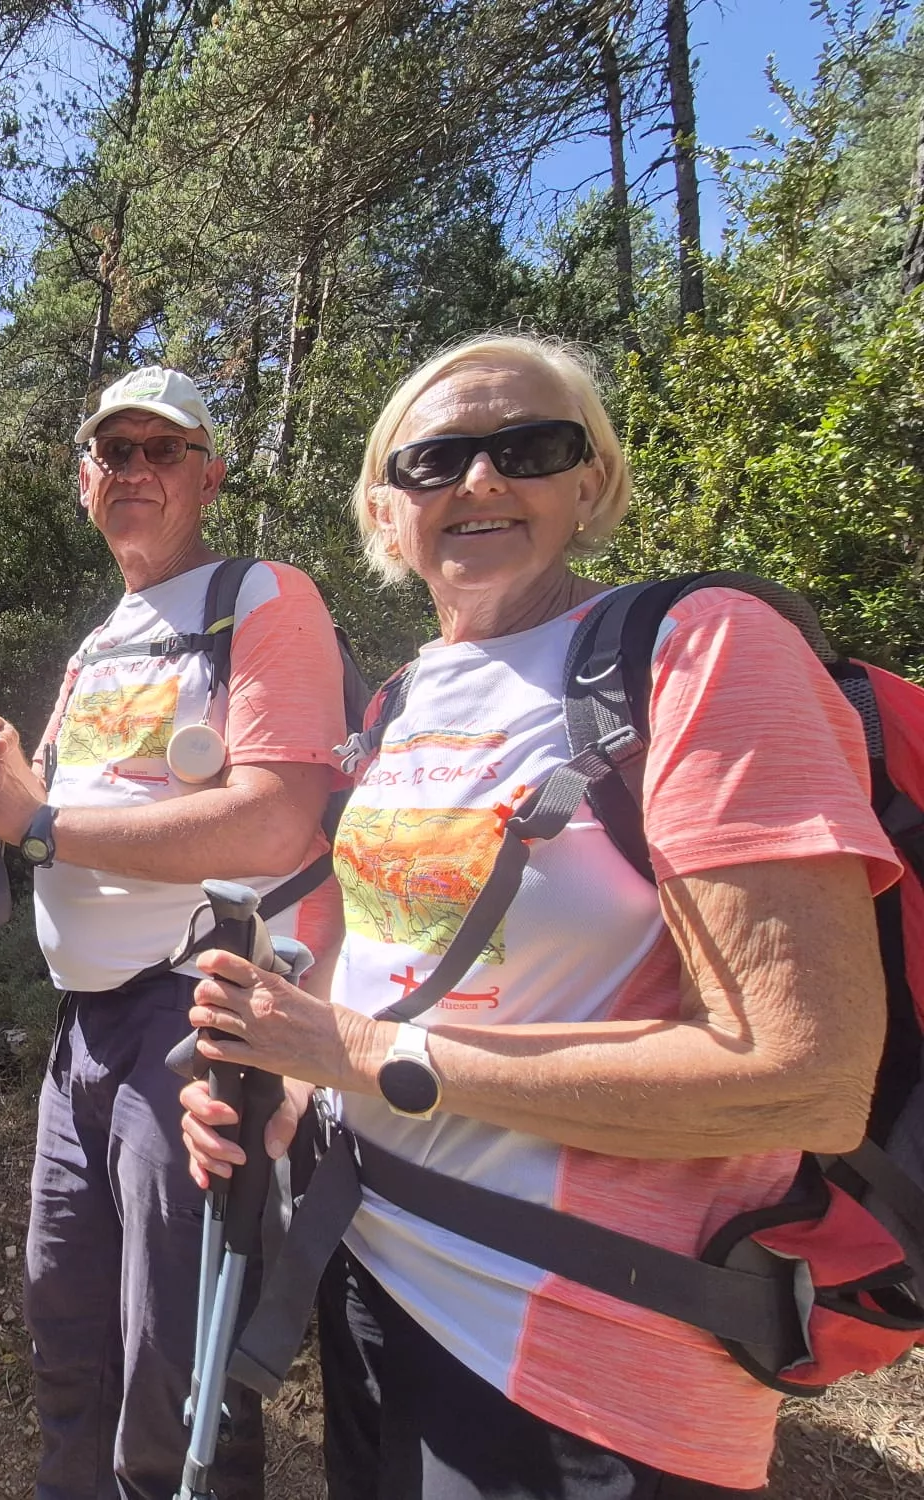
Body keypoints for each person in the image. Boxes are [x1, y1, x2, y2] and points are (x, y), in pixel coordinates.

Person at [176, 334, 898, 1499]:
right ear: (382, 505)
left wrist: (364, 1054)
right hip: (370, 1273)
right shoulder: (407, 694)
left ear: (591, 482)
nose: (478, 480)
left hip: (590, 1342)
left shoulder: (696, 650)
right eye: (434, 460)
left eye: (527, 446)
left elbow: (800, 1076)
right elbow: (392, 965)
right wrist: (292, 1088)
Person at [0, 365, 350, 1499]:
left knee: (177, 1369)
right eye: (112, 452)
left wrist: (43, 826)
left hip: (193, 1017)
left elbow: (274, 819)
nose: (133, 471)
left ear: (206, 476)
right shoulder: (101, 640)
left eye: (160, 451)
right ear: (83, 483)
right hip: (84, 1033)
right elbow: (45, 795)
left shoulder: (259, 596)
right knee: (64, 1334)